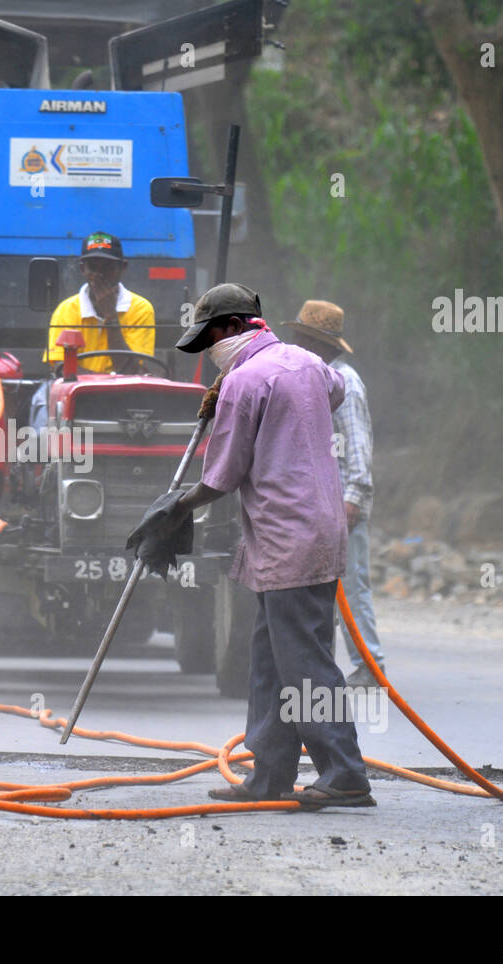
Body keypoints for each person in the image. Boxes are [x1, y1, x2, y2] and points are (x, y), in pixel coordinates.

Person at [131, 283, 374, 809]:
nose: (210, 348)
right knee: (268, 659)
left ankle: (346, 772)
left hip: (290, 534)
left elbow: (221, 477)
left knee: (304, 660)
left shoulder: (244, 380)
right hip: (306, 530)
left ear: (238, 327)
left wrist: (175, 507)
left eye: (213, 336)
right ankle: (270, 773)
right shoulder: (305, 362)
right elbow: (334, 392)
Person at [284, 300, 387, 687]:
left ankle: (370, 666)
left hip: (344, 504)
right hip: (317, 506)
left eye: (302, 338)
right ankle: (322, 665)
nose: (295, 344)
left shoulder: (346, 382)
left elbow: (357, 446)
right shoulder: (314, 379)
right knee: (319, 590)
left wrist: (354, 499)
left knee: (352, 588)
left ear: (318, 344)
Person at [32, 231, 155, 427]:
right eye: (93, 267)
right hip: (75, 389)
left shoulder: (141, 308)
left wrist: (110, 317)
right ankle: (40, 454)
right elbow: (60, 368)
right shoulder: (67, 309)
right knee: (41, 399)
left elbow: (132, 370)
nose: (99, 274)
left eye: (107, 267)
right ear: (82, 268)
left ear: (122, 268)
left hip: (125, 390)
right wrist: (97, 387)